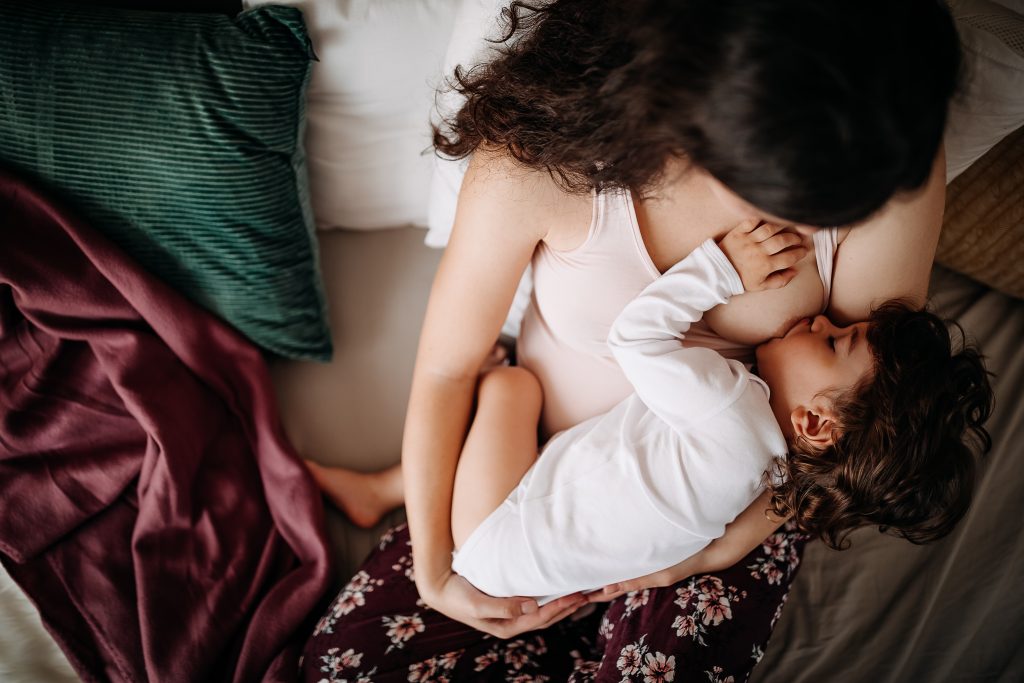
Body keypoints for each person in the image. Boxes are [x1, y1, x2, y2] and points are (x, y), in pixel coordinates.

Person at [301, 1, 965, 680]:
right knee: (345, 665)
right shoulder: (538, 166)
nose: (810, 221)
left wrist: (710, 553)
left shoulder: (886, 140)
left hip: (731, 508)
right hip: (539, 477)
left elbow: (859, 420)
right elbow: (447, 368)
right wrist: (437, 570)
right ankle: (395, 496)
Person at [447, 223, 992, 605]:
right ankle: (391, 487)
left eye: (832, 342)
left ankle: (470, 405)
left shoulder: (730, 408)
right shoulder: (772, 469)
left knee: (513, 385)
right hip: (531, 578)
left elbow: (634, 337)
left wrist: (722, 269)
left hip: (492, 530)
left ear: (814, 422)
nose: (822, 322)